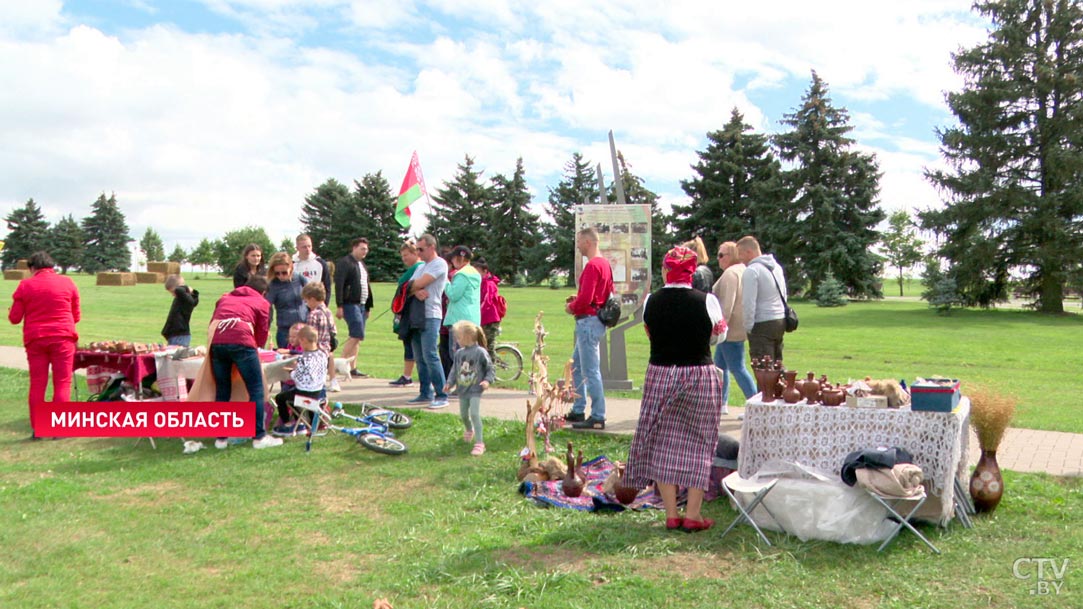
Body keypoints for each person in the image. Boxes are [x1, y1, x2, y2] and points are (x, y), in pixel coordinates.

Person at [624, 246, 727, 532]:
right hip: (699, 373)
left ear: (666, 270)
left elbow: (649, 331)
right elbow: (720, 335)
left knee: (662, 441)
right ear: (692, 271)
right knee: (700, 441)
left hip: (660, 373)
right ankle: (692, 513)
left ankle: (671, 513)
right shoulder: (707, 300)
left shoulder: (651, 301)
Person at [8, 251, 80, 440]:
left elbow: (14, 318)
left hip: (36, 339)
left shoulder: (26, 285)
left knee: (38, 384)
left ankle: (39, 428)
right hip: (63, 337)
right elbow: (76, 315)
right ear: (51, 266)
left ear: (33, 268)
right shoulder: (67, 283)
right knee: (62, 383)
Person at [208, 274, 282, 450]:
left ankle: (221, 438)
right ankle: (259, 436)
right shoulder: (262, 302)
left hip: (217, 342)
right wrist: (257, 348)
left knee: (223, 390)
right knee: (255, 389)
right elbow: (262, 330)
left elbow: (213, 322)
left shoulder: (225, 298)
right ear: (263, 292)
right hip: (242, 342)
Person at [564, 227, 614, 431]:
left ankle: (597, 415)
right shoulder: (605, 264)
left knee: (590, 370)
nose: (577, 246)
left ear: (588, 242)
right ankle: (578, 408)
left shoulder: (593, 266)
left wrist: (572, 306)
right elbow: (603, 294)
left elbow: (587, 298)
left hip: (588, 321)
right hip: (595, 320)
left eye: (579, 242)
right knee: (576, 366)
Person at [712, 241, 757, 414]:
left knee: (737, 368)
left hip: (729, 330)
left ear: (732, 255)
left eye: (722, 255)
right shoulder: (743, 270)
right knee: (720, 367)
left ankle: (754, 404)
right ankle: (721, 404)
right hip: (738, 327)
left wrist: (719, 327)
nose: (719, 259)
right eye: (718, 254)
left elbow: (727, 305)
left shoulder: (731, 274)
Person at [406, 233, 450, 409]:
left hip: (431, 314)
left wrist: (414, 286)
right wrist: (415, 291)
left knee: (430, 354)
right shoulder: (421, 266)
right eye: (416, 249)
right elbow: (407, 286)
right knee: (419, 355)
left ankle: (442, 394)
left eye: (421, 249)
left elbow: (421, 282)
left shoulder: (439, 264)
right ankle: (425, 392)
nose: (418, 252)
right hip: (417, 314)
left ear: (432, 247)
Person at [444, 320, 495, 457]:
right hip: (463, 390)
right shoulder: (459, 354)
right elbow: (454, 370)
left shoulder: (480, 352)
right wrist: (449, 383)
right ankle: (469, 429)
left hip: (475, 389)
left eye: (458, 337)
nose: (457, 340)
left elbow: (490, 369)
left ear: (467, 337)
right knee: (464, 414)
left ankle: (479, 443)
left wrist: (487, 381)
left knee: (474, 413)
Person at [738, 235, 789, 363]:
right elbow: (784, 293)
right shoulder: (776, 267)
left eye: (741, 254)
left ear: (749, 252)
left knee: (763, 370)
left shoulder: (752, 271)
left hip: (762, 323)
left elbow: (748, 302)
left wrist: (748, 326)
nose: (740, 259)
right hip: (779, 319)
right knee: (777, 365)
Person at [272, 325, 328, 437]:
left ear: (303, 340)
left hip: (305, 395)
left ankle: (288, 424)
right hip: (320, 392)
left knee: (280, 397)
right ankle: (311, 423)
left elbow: (300, 379)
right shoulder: (322, 355)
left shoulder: (303, 359)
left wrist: (291, 372)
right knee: (297, 392)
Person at [334, 238, 374, 378]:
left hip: (362, 305)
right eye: (362, 248)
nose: (365, 251)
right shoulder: (345, 263)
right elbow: (339, 284)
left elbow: (366, 286)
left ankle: (352, 368)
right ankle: (337, 365)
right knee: (356, 334)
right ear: (354, 248)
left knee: (358, 337)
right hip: (350, 304)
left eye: (366, 249)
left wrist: (368, 306)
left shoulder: (361, 264)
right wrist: (339, 305)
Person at [390, 240, 423, 387]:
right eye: (402, 256)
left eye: (406, 255)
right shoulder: (414, 268)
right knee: (408, 342)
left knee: (412, 343)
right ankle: (406, 374)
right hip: (406, 310)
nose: (404, 259)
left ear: (415, 253)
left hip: (413, 311)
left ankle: (408, 376)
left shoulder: (419, 267)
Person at [265, 252, 308, 349]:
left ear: (291, 267)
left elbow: (312, 298)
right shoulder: (273, 285)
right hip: (285, 331)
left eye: (284, 272)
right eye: (277, 273)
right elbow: (267, 307)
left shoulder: (300, 279)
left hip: (304, 327)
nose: (281, 276)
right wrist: (266, 326)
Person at [443, 245, 481, 352]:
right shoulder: (474, 273)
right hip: (472, 319)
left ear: (460, 258)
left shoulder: (462, 275)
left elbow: (453, 295)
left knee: (457, 354)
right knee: (470, 353)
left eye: (453, 258)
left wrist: (445, 282)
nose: (452, 260)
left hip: (459, 319)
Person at [302, 282, 338, 392]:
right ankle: (333, 381)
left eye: (306, 301)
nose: (306, 304)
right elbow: (334, 330)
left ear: (312, 299)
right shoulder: (328, 311)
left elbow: (310, 334)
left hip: (315, 350)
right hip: (326, 348)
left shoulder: (313, 314)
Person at [475, 257, 504, 358]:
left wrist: (477, 313)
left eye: (478, 272)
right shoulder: (480, 283)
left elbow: (486, 302)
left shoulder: (489, 284)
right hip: (484, 318)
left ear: (485, 271)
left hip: (490, 318)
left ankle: (491, 369)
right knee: (482, 344)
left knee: (488, 345)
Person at [293, 233, 332, 305]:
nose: (307, 249)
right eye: (304, 247)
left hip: (316, 304)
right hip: (299, 305)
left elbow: (327, 286)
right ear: (297, 248)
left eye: (309, 246)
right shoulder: (292, 265)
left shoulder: (320, 263)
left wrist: (325, 304)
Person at [161, 274, 199, 347]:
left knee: (176, 357)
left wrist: (186, 287)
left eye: (173, 292)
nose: (173, 294)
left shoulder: (184, 297)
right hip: (176, 335)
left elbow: (179, 290)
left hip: (179, 336)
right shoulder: (184, 297)